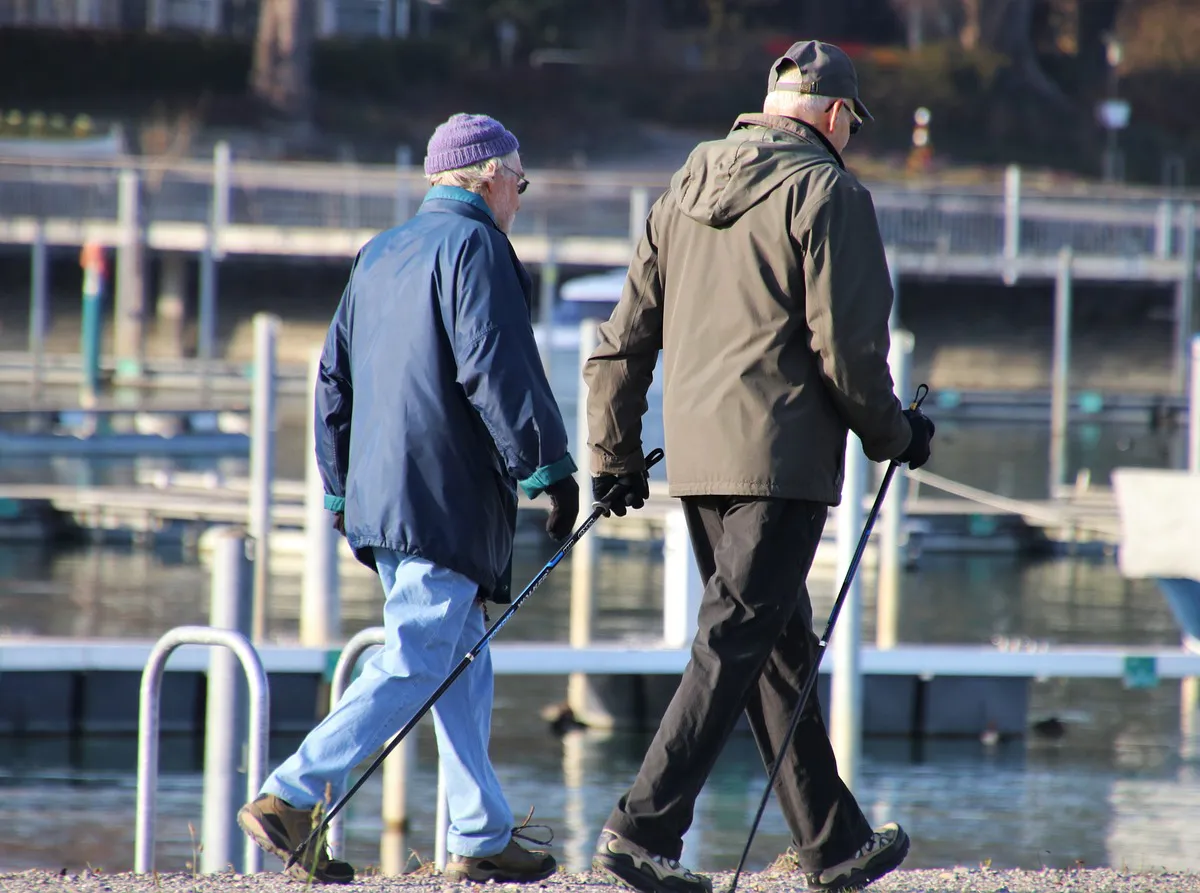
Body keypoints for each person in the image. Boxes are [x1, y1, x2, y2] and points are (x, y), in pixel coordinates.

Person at [583, 40, 936, 893]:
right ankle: (642, 829)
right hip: (778, 462)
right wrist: (897, 435)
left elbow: (622, 339)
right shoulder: (831, 193)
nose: (850, 133)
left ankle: (833, 839)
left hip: (702, 463)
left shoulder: (683, 185)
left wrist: (613, 453)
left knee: (775, 648)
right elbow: (849, 351)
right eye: (852, 119)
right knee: (736, 640)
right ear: (834, 114)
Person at [237, 113, 581, 884]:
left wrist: (337, 486)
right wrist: (549, 469)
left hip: (383, 496)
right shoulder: (477, 245)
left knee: (460, 657)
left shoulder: (381, 251)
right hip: (443, 493)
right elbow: (496, 365)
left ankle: (479, 833)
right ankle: (290, 793)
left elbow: (333, 378)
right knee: (419, 654)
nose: (519, 198)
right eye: (519, 183)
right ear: (490, 178)